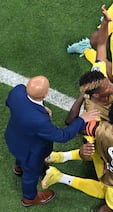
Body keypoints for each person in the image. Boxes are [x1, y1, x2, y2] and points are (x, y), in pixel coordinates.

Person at [4, 76, 98, 207]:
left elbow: (10, 103)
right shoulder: (39, 121)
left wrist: (41, 109)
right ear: (45, 94)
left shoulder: (18, 91)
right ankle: (29, 198)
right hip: (31, 152)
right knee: (31, 175)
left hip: (14, 138)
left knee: (21, 157)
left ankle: (19, 167)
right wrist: (82, 119)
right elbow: (62, 136)